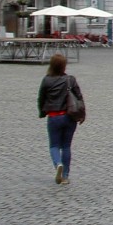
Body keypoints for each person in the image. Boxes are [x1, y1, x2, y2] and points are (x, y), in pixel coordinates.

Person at [37, 53, 85, 185]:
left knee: (54, 145)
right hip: (69, 117)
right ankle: (65, 176)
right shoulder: (70, 80)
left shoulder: (47, 80)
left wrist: (41, 112)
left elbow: (41, 98)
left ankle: (58, 164)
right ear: (64, 66)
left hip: (54, 117)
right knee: (66, 146)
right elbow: (79, 98)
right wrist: (82, 115)